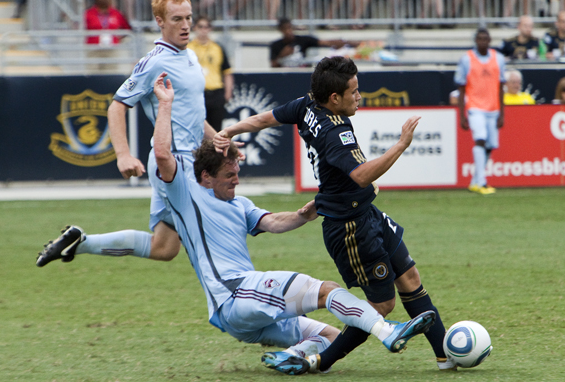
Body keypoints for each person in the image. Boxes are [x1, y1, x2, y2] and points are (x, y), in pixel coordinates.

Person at [148, 71, 435, 375]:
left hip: (242, 320)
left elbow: (273, 222)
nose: (237, 181)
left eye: (237, 173)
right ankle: (387, 331)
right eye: (229, 176)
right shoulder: (184, 193)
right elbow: (163, 155)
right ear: (206, 177)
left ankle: (292, 356)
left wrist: (302, 216)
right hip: (236, 294)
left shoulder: (239, 204)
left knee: (329, 336)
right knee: (326, 291)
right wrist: (165, 104)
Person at [213, 56, 455, 373]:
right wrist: (400, 145)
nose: (359, 96)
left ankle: (446, 355)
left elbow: (264, 120)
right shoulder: (334, 131)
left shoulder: (307, 105)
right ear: (335, 98)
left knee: (410, 277)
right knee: (381, 305)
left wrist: (229, 130)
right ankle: (319, 360)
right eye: (354, 92)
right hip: (350, 229)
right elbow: (361, 175)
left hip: (365, 212)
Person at [36, 0, 215, 267]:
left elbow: (192, 113)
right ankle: (234, 291)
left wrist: (220, 140)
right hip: (174, 162)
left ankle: (80, 242)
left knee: (164, 247)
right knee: (212, 230)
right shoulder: (154, 62)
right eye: (177, 19)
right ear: (160, 21)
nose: (185, 25)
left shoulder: (190, 56)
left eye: (188, 17)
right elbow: (117, 106)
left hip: (190, 158)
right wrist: (123, 155)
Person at [455, 28, 506, 195]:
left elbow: (501, 87)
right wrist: (462, 114)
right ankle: (482, 183)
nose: (483, 42)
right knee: (480, 140)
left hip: (493, 109)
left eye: (485, 39)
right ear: (476, 41)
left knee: (490, 146)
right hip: (475, 107)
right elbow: (461, 88)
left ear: (489, 40)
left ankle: (474, 181)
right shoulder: (467, 59)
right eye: (480, 39)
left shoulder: (498, 59)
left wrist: (502, 113)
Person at [187, 15, 234, 132]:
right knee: (197, 129)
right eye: (200, 26)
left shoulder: (217, 48)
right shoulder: (188, 48)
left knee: (216, 130)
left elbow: (227, 72)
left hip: (215, 93)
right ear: (195, 28)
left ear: (210, 29)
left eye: (206, 27)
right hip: (196, 93)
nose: (203, 30)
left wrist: (227, 94)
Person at [270, 18, 355, 67]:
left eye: (289, 28)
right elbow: (273, 65)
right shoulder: (275, 45)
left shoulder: (303, 40)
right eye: (285, 29)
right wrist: (282, 55)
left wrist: (347, 43)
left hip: (301, 73)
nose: (288, 31)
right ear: (280, 30)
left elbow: (325, 42)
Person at [84, 0, 133, 70]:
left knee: (111, 73)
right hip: (94, 49)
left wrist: (117, 38)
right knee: (93, 74)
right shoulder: (88, 14)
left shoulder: (116, 13)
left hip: (111, 49)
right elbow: (81, 29)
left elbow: (127, 29)